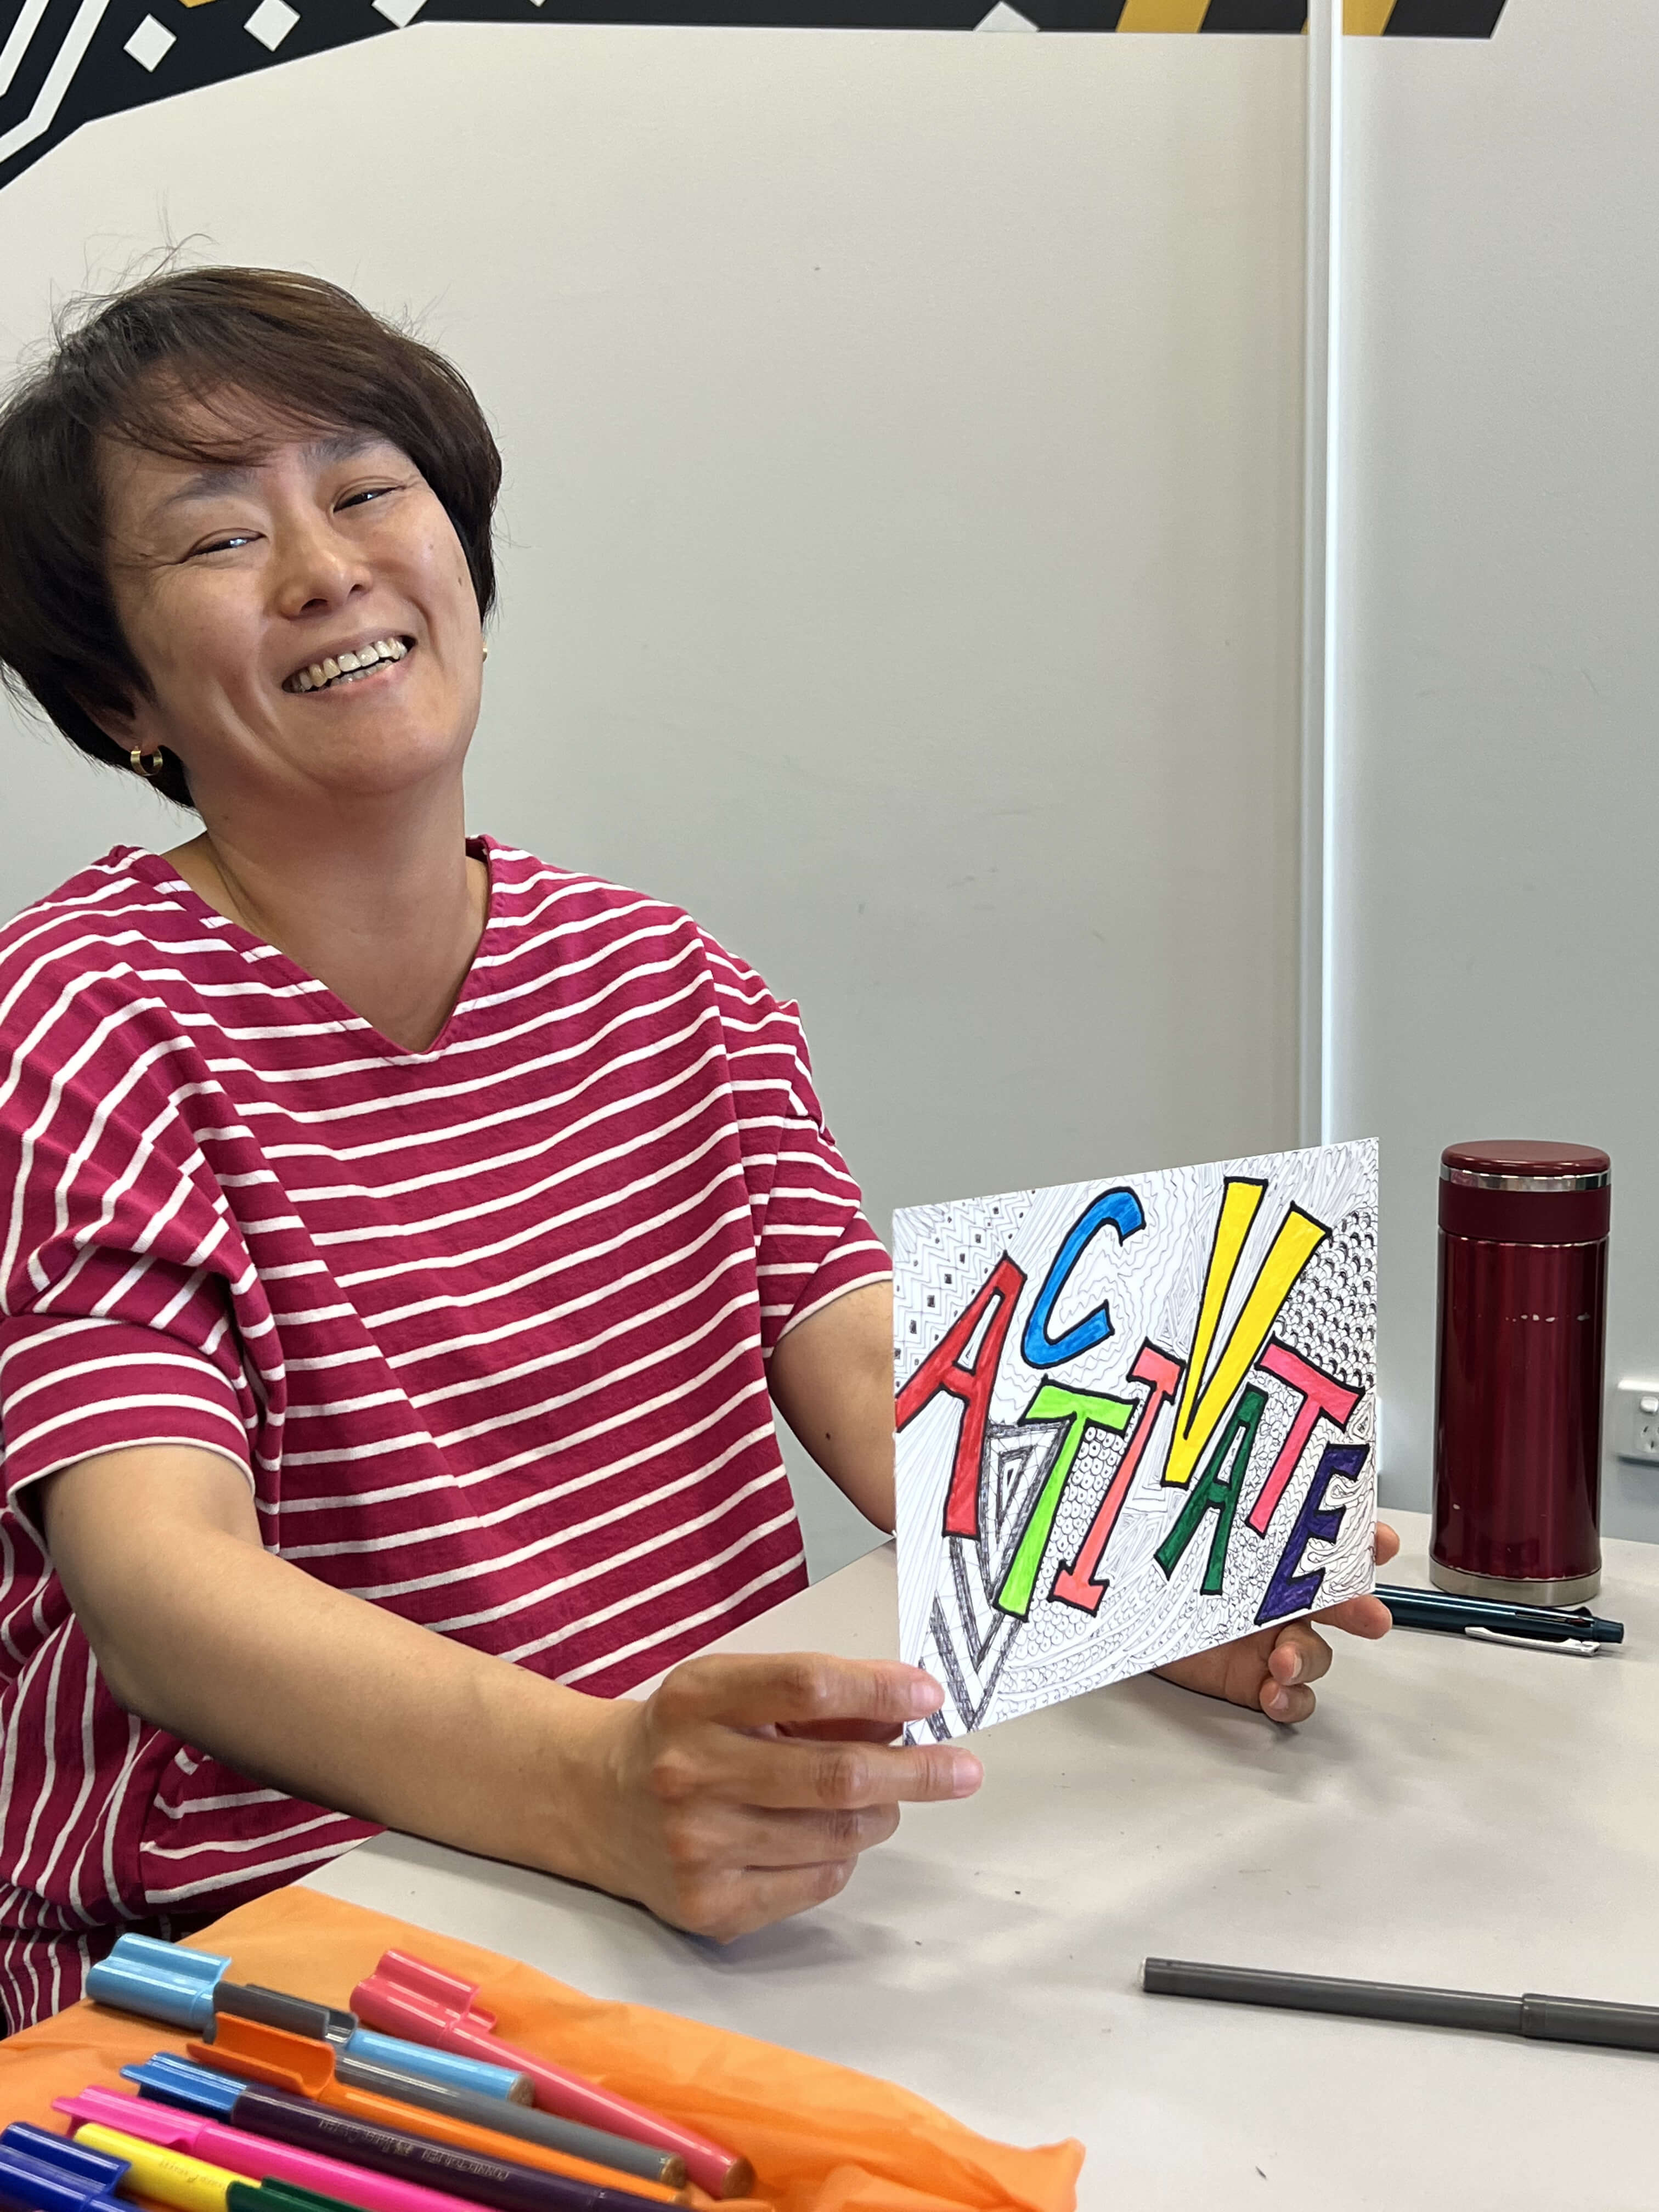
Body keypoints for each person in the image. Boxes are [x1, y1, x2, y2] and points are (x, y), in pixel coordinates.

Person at [0, 267, 1396, 2033]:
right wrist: (590, 1786)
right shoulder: (75, 1015)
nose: (326, 568)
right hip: (248, 1977)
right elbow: (160, 1584)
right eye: (218, 539)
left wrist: (1132, 1564)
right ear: (116, 695)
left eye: (365, 491)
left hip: (690, 1917)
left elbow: (864, 1356)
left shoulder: (664, 977)